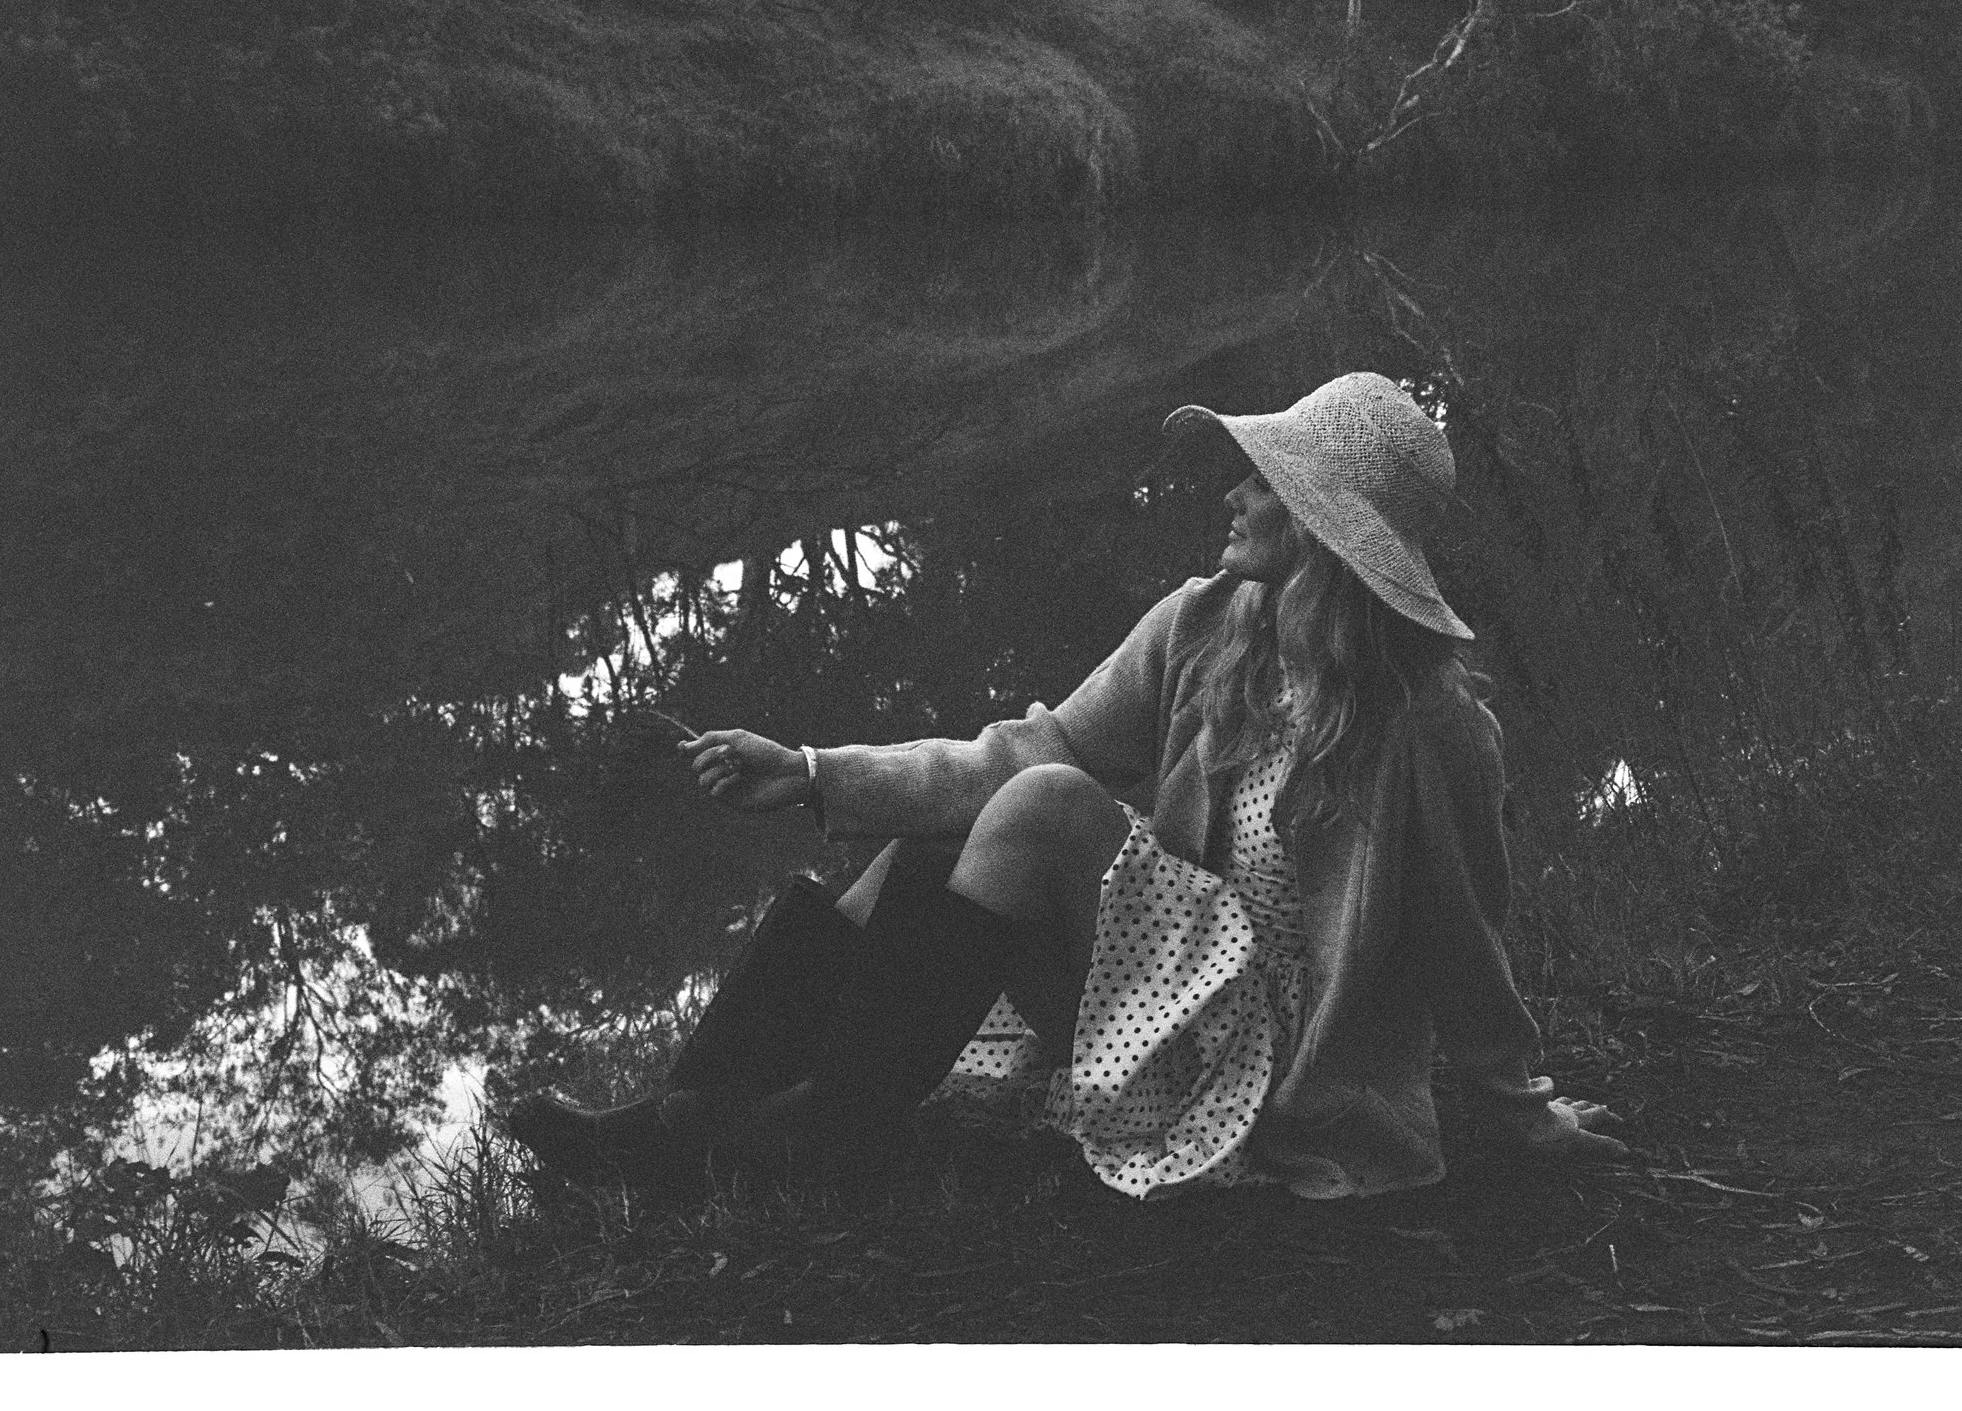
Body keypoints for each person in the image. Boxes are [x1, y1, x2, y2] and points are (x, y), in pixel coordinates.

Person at [507, 371, 1626, 1201]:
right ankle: (688, 1124)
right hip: (1166, 1002)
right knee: (938, 841)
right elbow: (1017, 752)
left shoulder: (1430, 727)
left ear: (1327, 531)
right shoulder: (1202, 626)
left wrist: (1520, 1112)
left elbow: (1464, 932)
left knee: (1039, 813)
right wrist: (810, 771)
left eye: (1268, 480)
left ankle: (811, 1134)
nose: (1234, 493)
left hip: (1274, 1073)